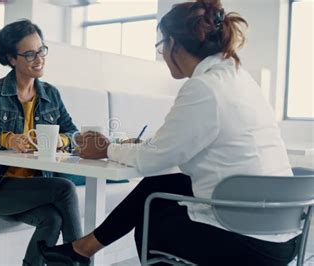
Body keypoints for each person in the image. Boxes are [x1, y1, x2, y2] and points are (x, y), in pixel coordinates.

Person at [39, 0, 299, 265]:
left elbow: (150, 160)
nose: (162, 53)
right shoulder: (238, 78)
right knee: (163, 185)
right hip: (282, 236)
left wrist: (106, 149)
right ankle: (81, 250)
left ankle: (80, 252)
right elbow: (180, 144)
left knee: (153, 217)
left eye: (162, 45)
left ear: (174, 44)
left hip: (249, 242)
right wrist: (145, 146)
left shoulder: (204, 87)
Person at [0, 19, 82, 266]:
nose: (38, 58)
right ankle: (80, 259)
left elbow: (74, 135)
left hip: (30, 186)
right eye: (29, 54)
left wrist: (57, 141)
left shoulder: (51, 94)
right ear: (12, 59)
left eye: (41, 50)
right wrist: (9, 139)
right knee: (64, 188)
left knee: (52, 219)